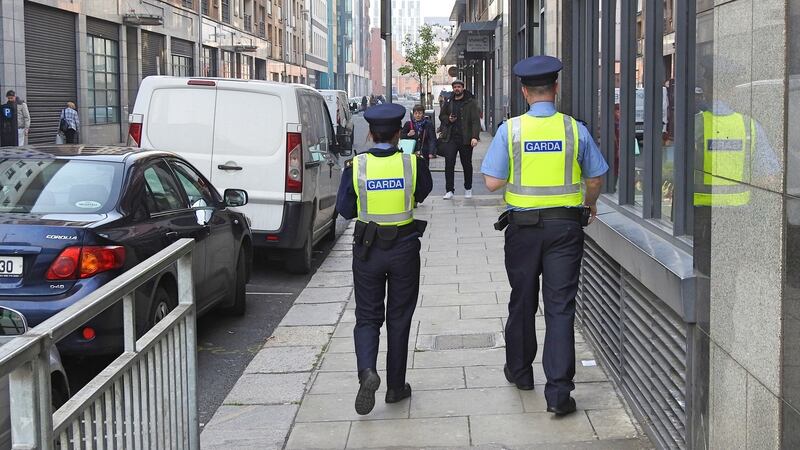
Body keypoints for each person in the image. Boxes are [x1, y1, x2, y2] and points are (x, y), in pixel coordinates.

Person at [480, 55, 608, 416]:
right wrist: (590, 204)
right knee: (560, 307)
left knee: (522, 300)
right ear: (555, 88)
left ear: (524, 92)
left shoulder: (512, 130)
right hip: (566, 229)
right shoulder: (573, 129)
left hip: (522, 231)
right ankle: (559, 394)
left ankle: (521, 373)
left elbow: (491, 182)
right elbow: (595, 178)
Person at [335, 103, 433, 415]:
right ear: (399, 133)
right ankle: (395, 388)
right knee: (399, 318)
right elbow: (423, 192)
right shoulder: (412, 164)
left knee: (367, 317)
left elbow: (345, 209)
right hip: (404, 248)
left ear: (371, 133)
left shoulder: (356, 167)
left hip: (368, 249)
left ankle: (367, 372)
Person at [439, 80, 481, 199]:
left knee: (466, 164)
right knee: (449, 163)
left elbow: (475, 121)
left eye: (459, 87)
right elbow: (441, 116)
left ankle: (468, 188)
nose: (457, 89)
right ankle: (449, 190)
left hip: (466, 138)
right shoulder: (449, 101)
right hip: (451, 138)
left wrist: (475, 137)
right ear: (453, 89)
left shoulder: (470, 102)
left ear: (463, 88)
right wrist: (448, 119)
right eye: (455, 87)